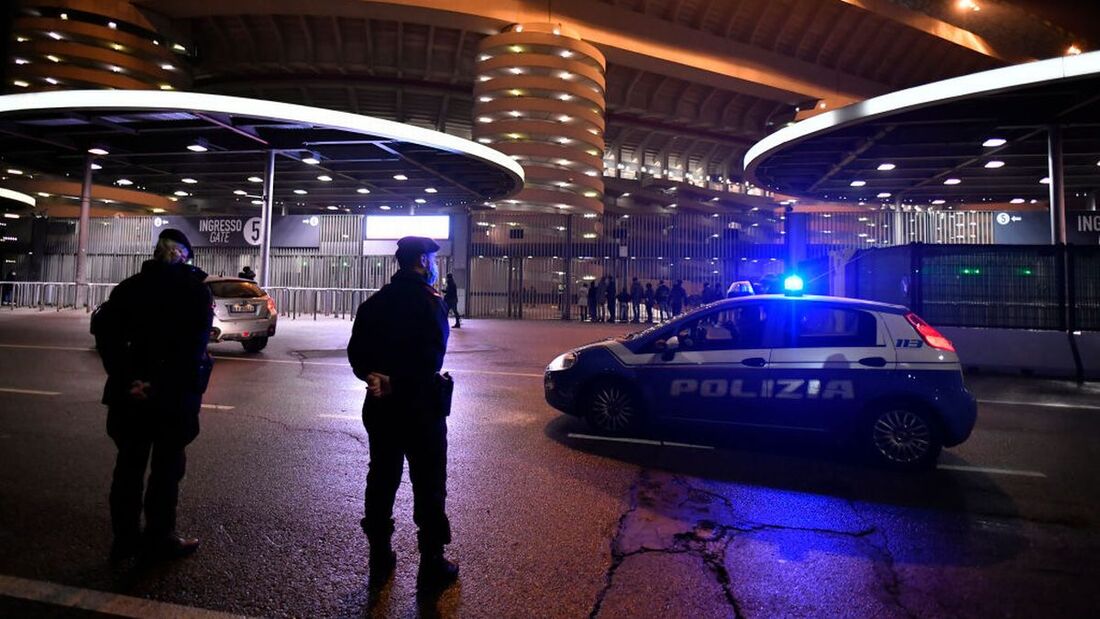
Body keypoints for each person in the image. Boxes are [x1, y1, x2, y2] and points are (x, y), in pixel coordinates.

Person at [93, 228, 213, 562]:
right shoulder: (195, 292)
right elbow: (194, 349)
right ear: (185, 256)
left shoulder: (129, 288)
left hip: (130, 395)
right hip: (172, 400)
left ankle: (124, 542)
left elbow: (104, 335)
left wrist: (127, 376)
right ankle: (160, 538)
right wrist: (167, 383)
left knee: (128, 468)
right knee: (166, 470)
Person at [347, 236, 458, 591]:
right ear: (423, 261)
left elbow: (356, 355)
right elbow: (430, 362)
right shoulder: (430, 303)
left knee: (381, 479)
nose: (436, 266)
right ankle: (431, 564)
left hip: (381, 409)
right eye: (433, 260)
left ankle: (380, 557)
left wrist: (375, 377)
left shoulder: (374, 303)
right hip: (421, 409)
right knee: (428, 486)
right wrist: (396, 381)